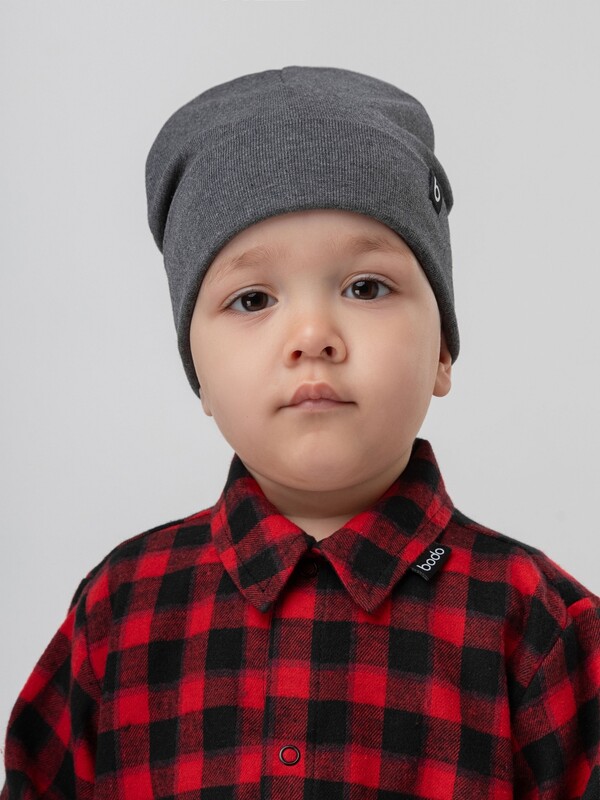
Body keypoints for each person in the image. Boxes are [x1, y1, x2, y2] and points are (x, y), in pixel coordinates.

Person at [2, 66, 599, 800]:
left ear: (443, 351)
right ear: (200, 376)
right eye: (253, 299)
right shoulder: (120, 612)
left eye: (365, 288)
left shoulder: (541, 628)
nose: (313, 334)